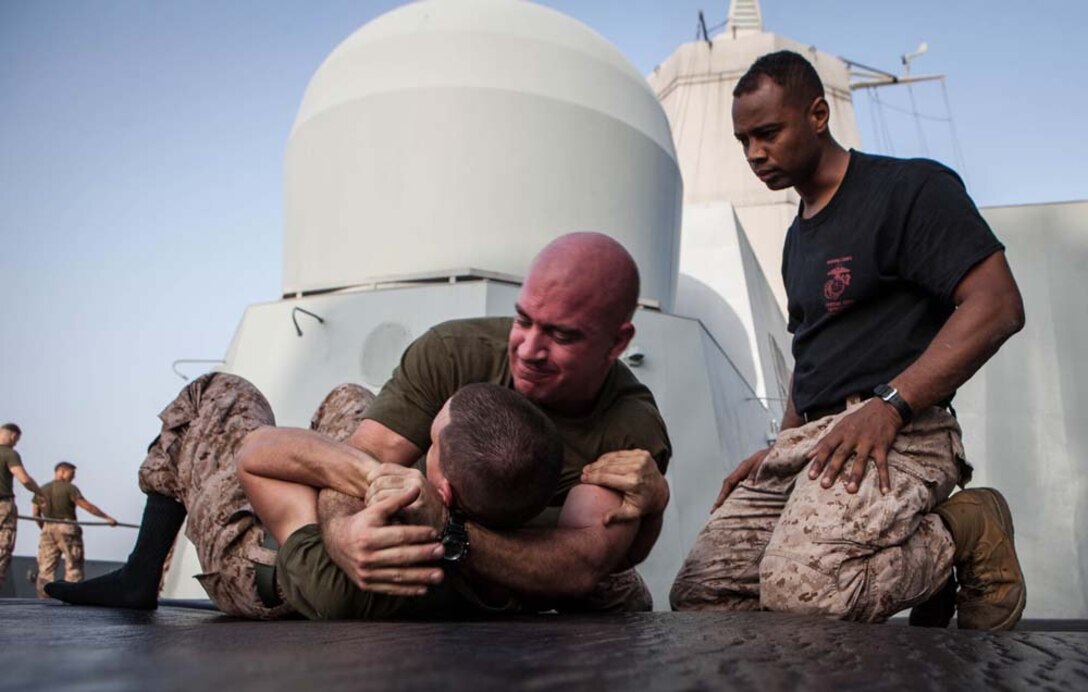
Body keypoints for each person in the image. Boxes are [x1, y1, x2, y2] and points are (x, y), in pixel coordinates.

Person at [48, 232, 672, 616]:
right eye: (523, 319)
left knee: (218, 394)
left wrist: (428, 528)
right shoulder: (457, 352)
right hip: (438, 568)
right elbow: (365, 454)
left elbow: (582, 564)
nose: (528, 349)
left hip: (288, 573)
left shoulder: (629, 430)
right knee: (352, 400)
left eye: (561, 335)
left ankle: (141, 576)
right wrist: (349, 534)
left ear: (619, 342)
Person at [670, 51, 1027, 630]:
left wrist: (891, 404)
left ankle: (963, 530)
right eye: (742, 141)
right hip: (813, 441)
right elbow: (810, 353)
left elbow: (997, 304)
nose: (754, 154)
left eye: (767, 133)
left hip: (904, 430)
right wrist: (780, 445)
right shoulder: (796, 239)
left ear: (817, 114)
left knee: (806, 593)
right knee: (703, 595)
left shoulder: (908, 189)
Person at [238, 382, 565, 619]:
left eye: (432, 442)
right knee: (348, 397)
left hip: (264, 562)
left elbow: (253, 456)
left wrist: (374, 475)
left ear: (444, 492)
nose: (424, 442)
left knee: (226, 396)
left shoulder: (348, 579)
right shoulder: (548, 548)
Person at [32, 461, 118, 598]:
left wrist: (45, 528)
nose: (73, 478)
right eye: (71, 474)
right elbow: (87, 506)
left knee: (45, 569)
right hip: (67, 527)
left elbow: (35, 514)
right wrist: (107, 518)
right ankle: (71, 597)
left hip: (47, 528)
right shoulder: (69, 488)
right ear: (61, 471)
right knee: (74, 565)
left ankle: (44, 598)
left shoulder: (41, 490)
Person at [1, 423, 45, 592]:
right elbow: (24, 479)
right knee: (2, 547)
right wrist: (39, 492)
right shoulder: (9, 454)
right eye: (17, 439)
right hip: (3, 505)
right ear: (12, 435)